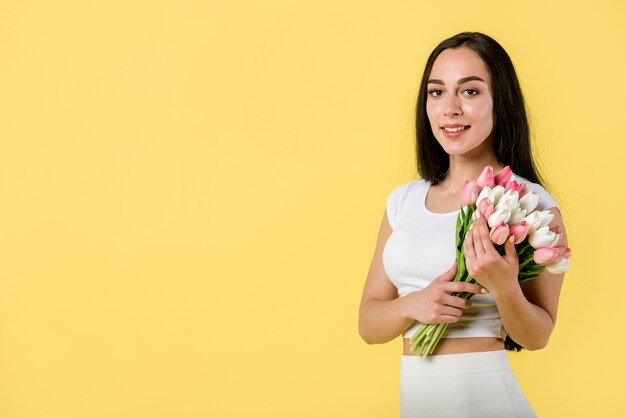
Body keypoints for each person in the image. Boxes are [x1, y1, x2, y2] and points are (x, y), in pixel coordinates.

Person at [358, 32, 568, 417]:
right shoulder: (402, 202)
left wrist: (504, 287)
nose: (449, 108)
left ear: (499, 102)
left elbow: (538, 336)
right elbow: (369, 324)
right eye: (436, 93)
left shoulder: (528, 202)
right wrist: (415, 304)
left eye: (469, 92)